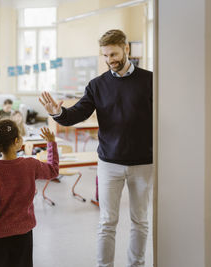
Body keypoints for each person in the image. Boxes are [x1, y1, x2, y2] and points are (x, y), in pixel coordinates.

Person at [39, 29, 153, 267]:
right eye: (105, 55)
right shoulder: (97, 85)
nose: (110, 60)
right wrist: (57, 113)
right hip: (109, 163)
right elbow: (77, 114)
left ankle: (137, 264)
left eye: (114, 53)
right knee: (107, 222)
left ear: (126, 49)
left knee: (140, 221)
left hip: (143, 163)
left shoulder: (150, 80)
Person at [0, 119, 59, 267]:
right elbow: (53, 170)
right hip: (24, 237)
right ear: (17, 141)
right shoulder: (30, 165)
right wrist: (51, 143)